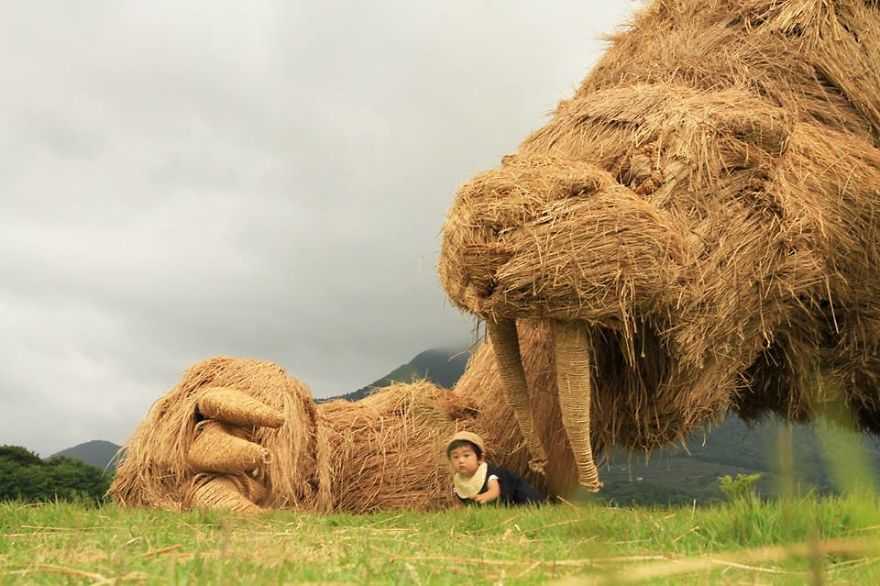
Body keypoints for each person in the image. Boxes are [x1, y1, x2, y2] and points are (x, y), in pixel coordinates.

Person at [446, 431, 546, 506]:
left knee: (530, 501)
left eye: (466, 455)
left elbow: (495, 491)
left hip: (517, 495)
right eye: (455, 457)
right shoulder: (460, 481)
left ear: (480, 458)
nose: (461, 460)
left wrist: (485, 496)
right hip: (499, 505)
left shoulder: (489, 474)